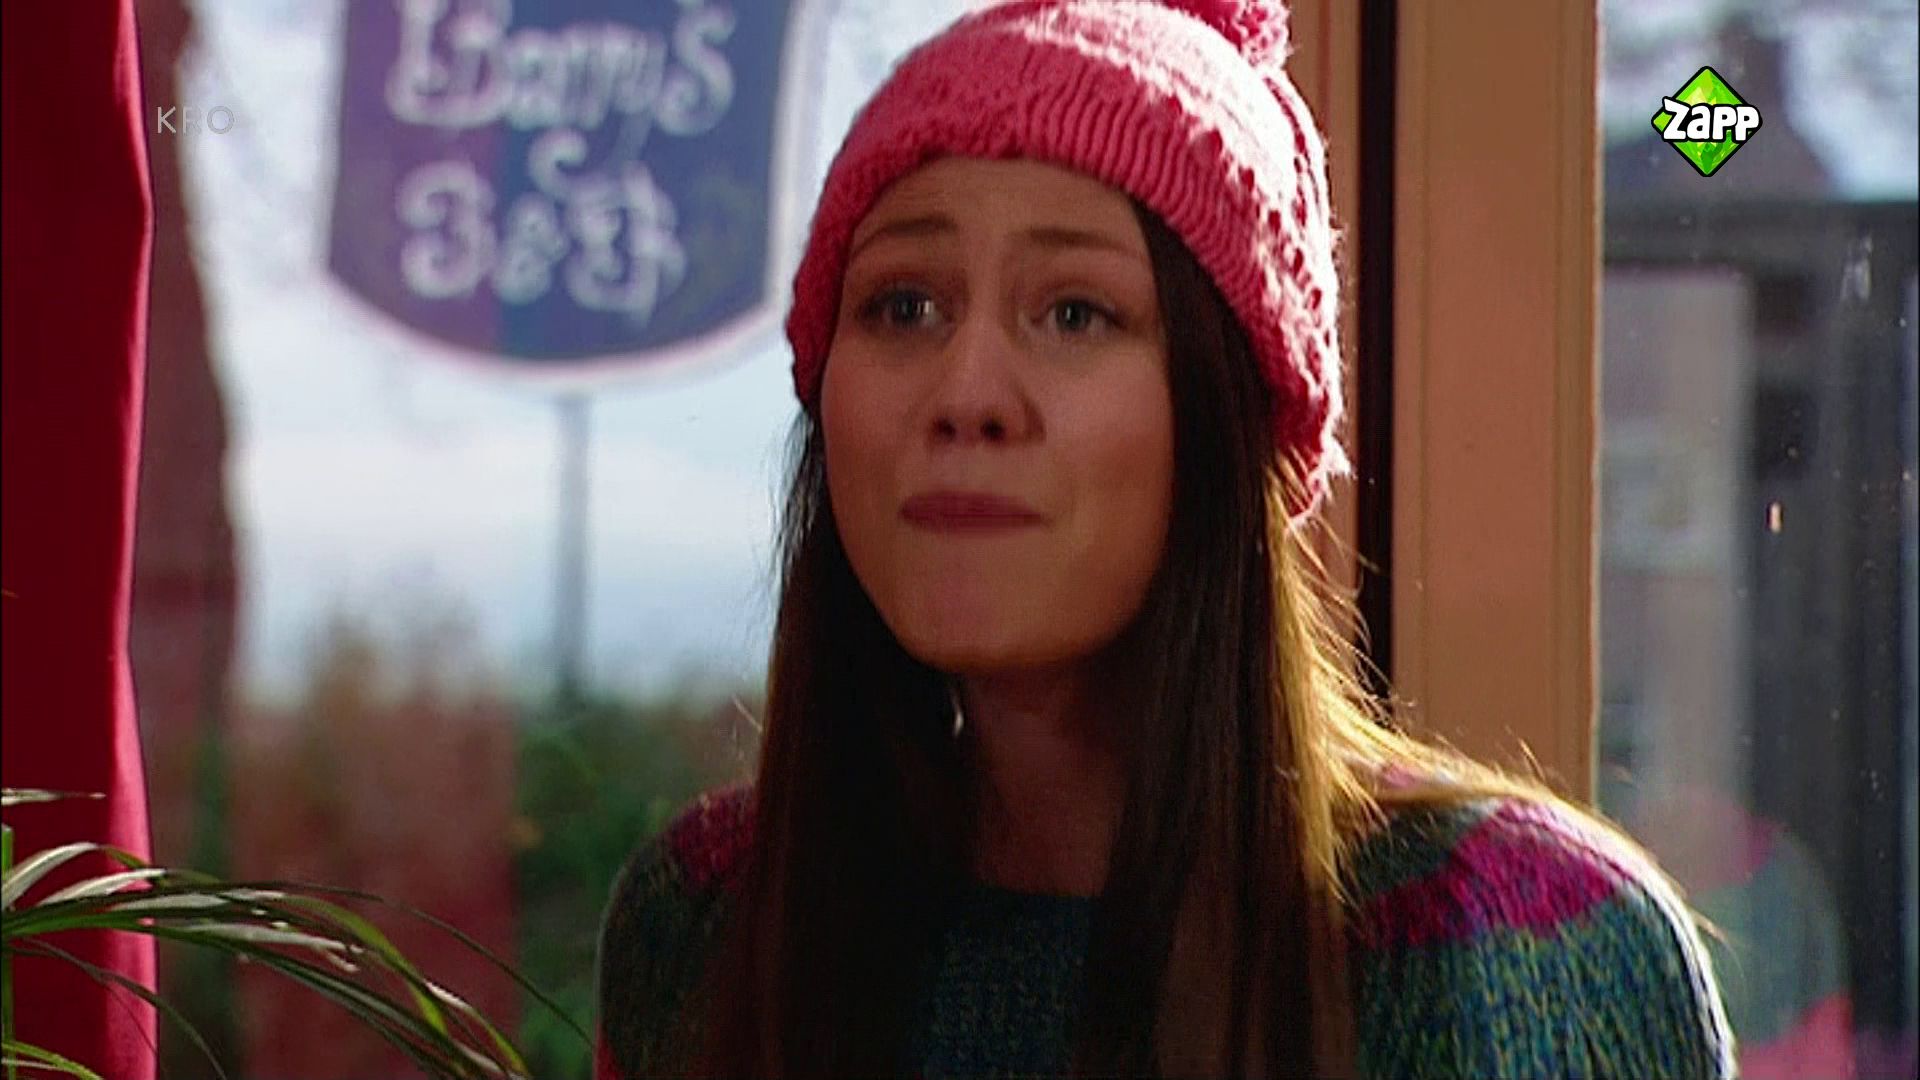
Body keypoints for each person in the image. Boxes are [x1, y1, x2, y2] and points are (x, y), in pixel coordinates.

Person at [594, 1, 1736, 1076]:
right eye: (904, 306)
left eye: (1075, 312)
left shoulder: (1524, 940)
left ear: (1230, 420)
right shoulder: (708, 919)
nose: (966, 393)